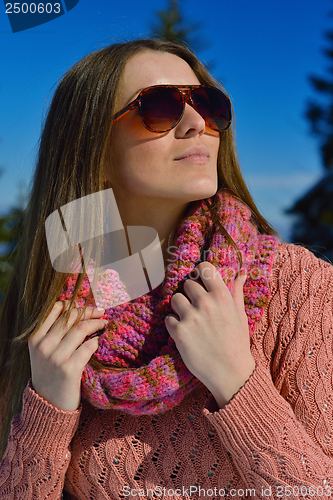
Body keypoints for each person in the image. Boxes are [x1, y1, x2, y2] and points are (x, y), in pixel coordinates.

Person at [0, 38, 332, 500]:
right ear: (92, 148)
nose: (197, 123)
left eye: (206, 103)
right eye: (159, 107)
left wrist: (237, 381)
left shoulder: (296, 284)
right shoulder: (51, 318)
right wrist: (46, 419)